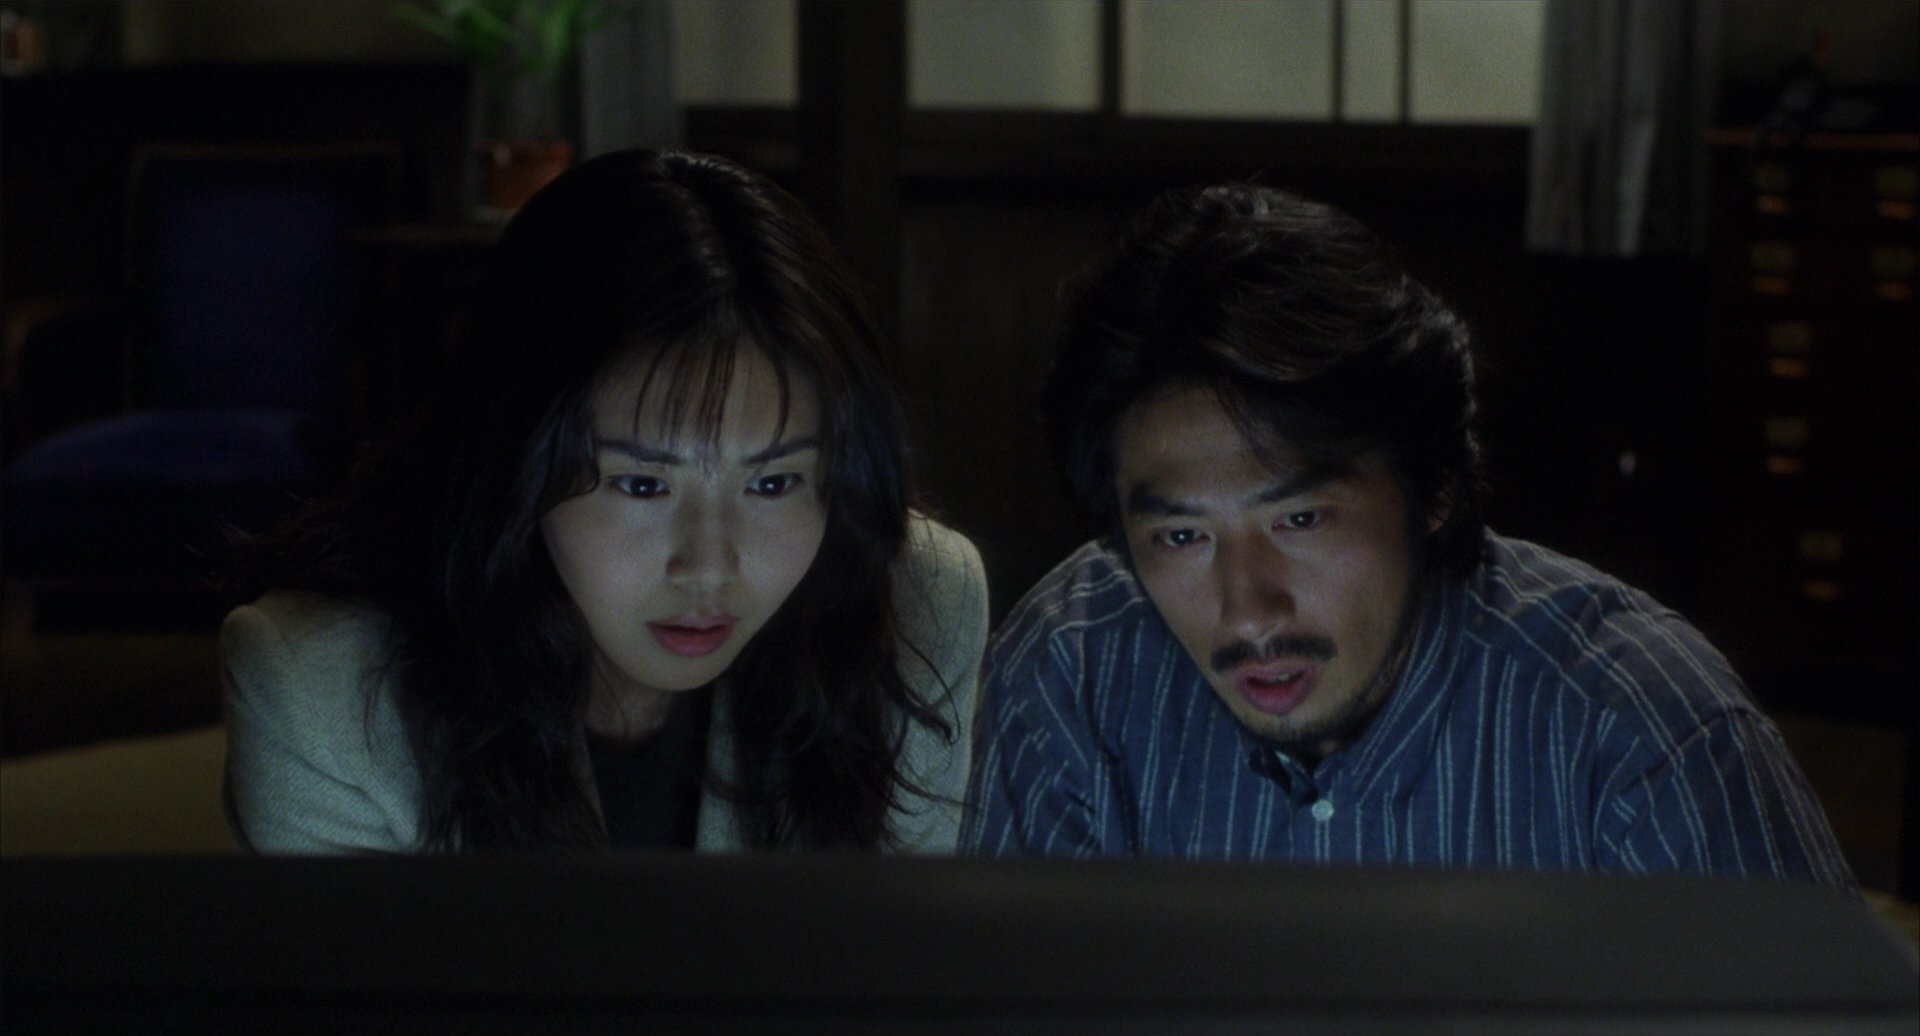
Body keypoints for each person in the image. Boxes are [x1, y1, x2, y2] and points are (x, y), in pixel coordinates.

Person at [961, 181, 1851, 885]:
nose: (1249, 611)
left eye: (1299, 518)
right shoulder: (1075, 668)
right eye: (1182, 539)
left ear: (1434, 489)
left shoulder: (1636, 730)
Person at [223, 149, 988, 854]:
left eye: (772, 483)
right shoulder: (324, 690)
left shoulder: (914, 605)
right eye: (643, 484)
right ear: (518, 461)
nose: (709, 566)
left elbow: (896, 948)